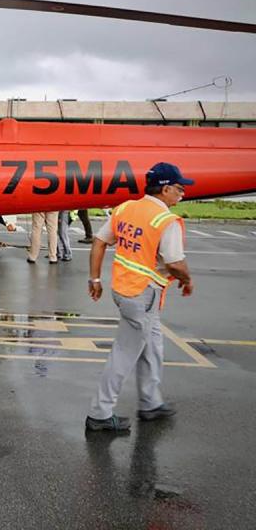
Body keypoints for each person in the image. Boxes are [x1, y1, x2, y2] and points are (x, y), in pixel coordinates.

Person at [85, 162, 194, 433]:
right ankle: (99, 414)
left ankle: (150, 402)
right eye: (179, 189)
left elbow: (99, 242)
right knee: (124, 354)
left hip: (124, 291)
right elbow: (175, 263)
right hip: (141, 295)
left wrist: (95, 279)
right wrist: (187, 279)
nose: (182, 194)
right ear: (166, 188)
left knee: (153, 345)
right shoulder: (165, 221)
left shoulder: (126, 208)